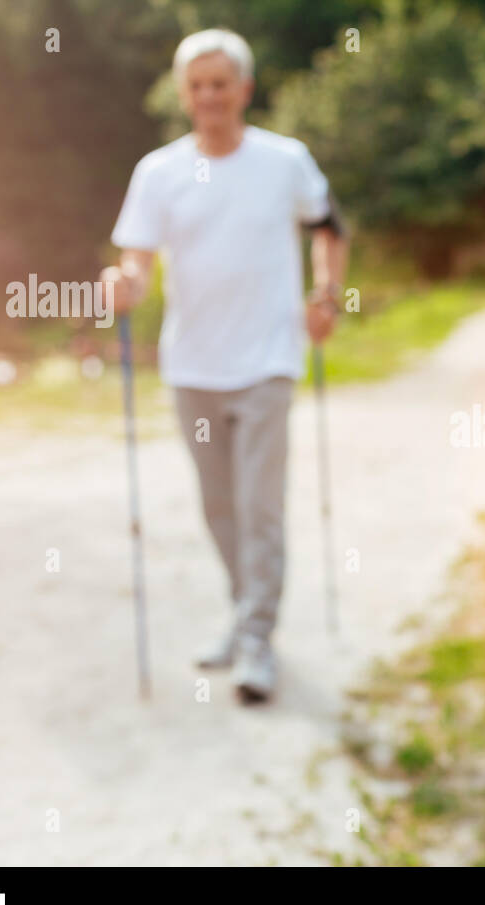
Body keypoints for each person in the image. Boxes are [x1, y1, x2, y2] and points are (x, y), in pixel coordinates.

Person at [101, 28, 350, 704]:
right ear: (184, 95)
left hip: (269, 358)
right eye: (197, 85)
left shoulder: (285, 160)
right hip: (193, 366)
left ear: (244, 89)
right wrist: (122, 285)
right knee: (220, 509)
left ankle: (257, 642)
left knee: (259, 507)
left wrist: (326, 294)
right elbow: (138, 265)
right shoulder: (159, 173)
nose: (209, 96)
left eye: (221, 83)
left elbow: (329, 227)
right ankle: (246, 617)